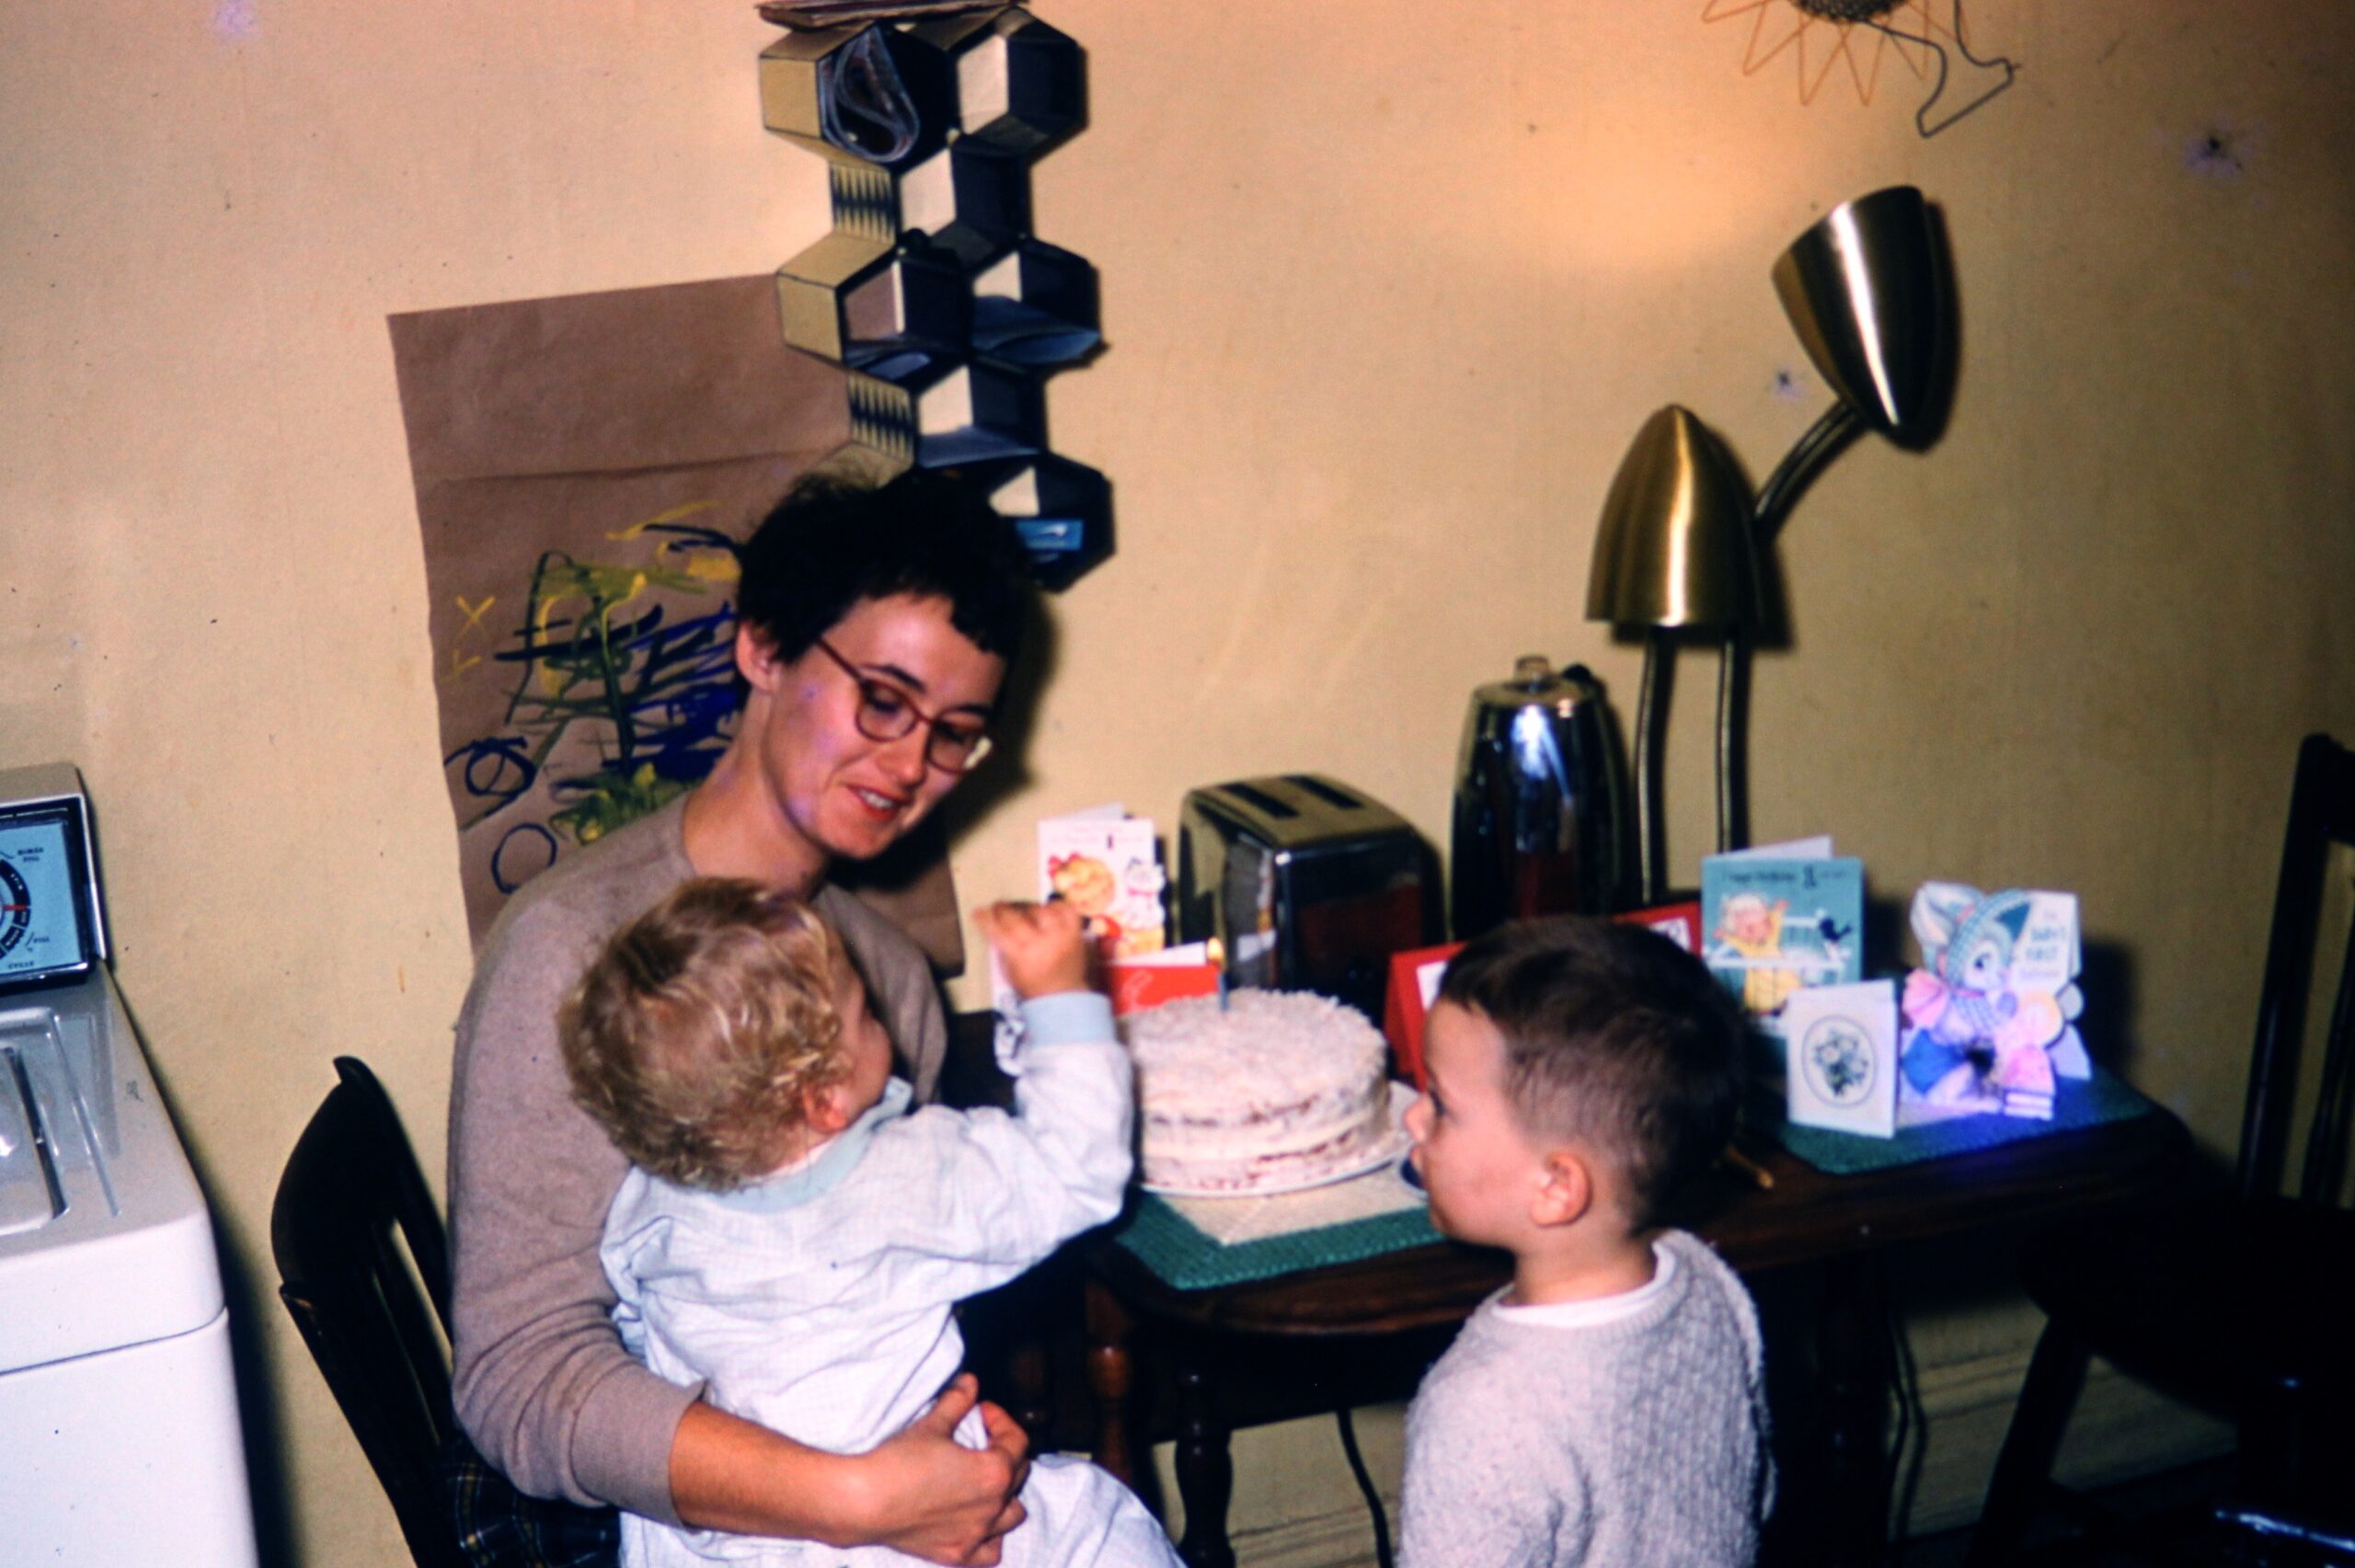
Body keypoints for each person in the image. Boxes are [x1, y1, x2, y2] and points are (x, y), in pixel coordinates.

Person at [446, 472, 1039, 1567]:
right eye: (884, 700)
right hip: (632, 1526)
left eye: (954, 732)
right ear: (762, 648)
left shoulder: (888, 976)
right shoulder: (573, 952)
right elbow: (517, 1373)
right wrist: (853, 1500)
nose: (912, 764)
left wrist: (955, 1454)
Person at [559, 885, 1181, 1568]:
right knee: (1103, 1528)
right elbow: (1075, 1171)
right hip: (910, 1532)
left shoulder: (646, 1201)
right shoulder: (904, 1177)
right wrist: (1060, 999)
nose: (882, 1017)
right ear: (823, 1098)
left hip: (728, 1538)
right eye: (866, 1013)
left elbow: (635, 1328)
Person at [1396, 917, 1773, 1568]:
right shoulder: (1709, 1278)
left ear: (1556, 1186)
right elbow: (1755, 1490)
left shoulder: (1481, 1411)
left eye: (1441, 1103)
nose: (1412, 1117)